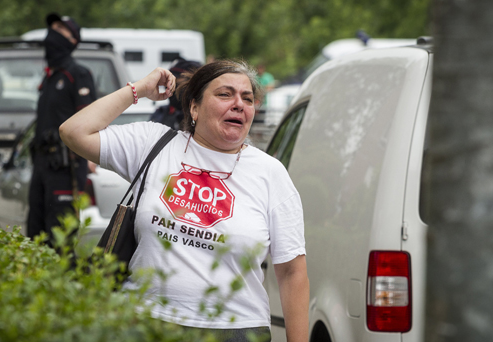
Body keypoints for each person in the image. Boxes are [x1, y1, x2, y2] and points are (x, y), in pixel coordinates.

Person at [59, 61, 309, 342]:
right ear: (194, 107)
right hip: (144, 323)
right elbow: (73, 131)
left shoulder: (270, 173)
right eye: (225, 94)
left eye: (247, 98)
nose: (239, 104)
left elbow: (292, 272)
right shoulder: (153, 143)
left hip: (236, 331)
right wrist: (138, 89)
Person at [27, 13, 97, 245]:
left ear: (73, 40)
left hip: (65, 165)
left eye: (60, 28)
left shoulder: (78, 74)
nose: (52, 32)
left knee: (60, 237)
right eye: (52, 27)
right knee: (35, 232)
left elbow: (91, 120)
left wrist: (89, 158)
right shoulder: (50, 77)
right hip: (41, 164)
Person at [150, 58, 202, 130]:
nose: (169, 86)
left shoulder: (204, 117)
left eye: (175, 82)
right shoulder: (161, 113)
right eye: (168, 82)